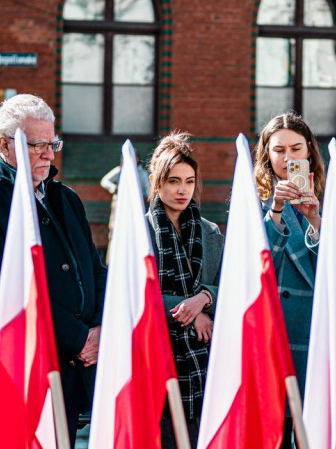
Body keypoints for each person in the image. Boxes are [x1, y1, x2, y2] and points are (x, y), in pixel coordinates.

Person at [0, 94, 106, 444]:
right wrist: (80, 338)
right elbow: (2, 291)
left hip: (79, 369)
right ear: (5, 145)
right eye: (37, 144)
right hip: (31, 369)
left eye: (52, 142)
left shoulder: (65, 197)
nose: (49, 154)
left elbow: (96, 271)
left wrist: (100, 327)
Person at [145, 132, 223, 448]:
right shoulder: (141, 230)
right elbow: (136, 293)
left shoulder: (210, 232)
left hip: (206, 358)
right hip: (158, 354)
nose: (182, 190)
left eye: (189, 181)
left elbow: (229, 284)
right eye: (173, 180)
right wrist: (192, 313)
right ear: (156, 181)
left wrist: (205, 298)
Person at [253, 112, 325, 448]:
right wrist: (277, 211)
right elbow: (258, 267)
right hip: (279, 335)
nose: (288, 158)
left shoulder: (332, 197)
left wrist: (316, 222)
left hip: (319, 333)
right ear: (266, 154)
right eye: (279, 150)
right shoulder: (253, 202)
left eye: (296, 148)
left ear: (309, 151)